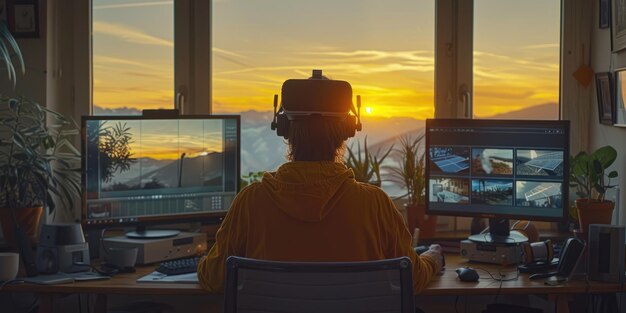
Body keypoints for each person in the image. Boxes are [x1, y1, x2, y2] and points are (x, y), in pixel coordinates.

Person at [197, 71, 443, 294]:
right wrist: (433, 258)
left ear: (283, 128)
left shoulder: (250, 203)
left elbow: (214, 278)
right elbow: (413, 278)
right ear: (347, 130)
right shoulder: (374, 204)